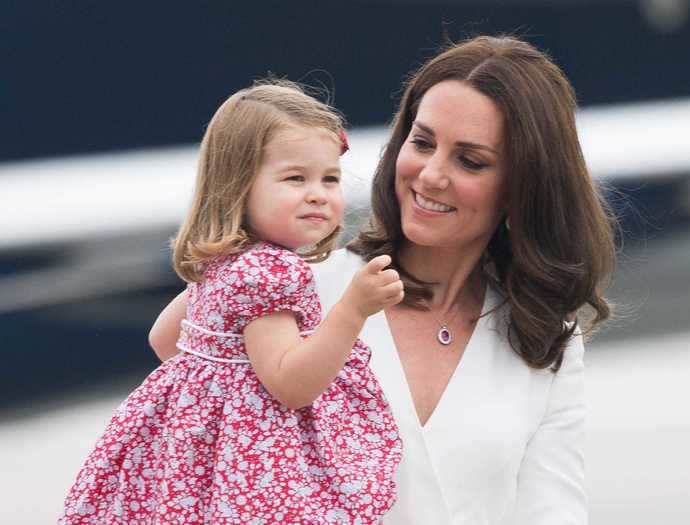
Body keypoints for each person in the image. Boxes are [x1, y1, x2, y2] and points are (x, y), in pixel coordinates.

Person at [151, 35, 616, 524]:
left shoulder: (544, 336)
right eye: (422, 142)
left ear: (524, 186)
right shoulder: (292, 283)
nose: (431, 174)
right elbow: (176, 352)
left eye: (470, 160)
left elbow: (553, 510)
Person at [59, 80, 403, 525]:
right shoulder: (273, 274)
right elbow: (292, 386)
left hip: (192, 466)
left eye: (330, 178)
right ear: (238, 186)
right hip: (259, 480)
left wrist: (217, 402)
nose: (318, 193)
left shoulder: (221, 262)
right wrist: (353, 310)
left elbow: (166, 341)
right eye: (295, 178)